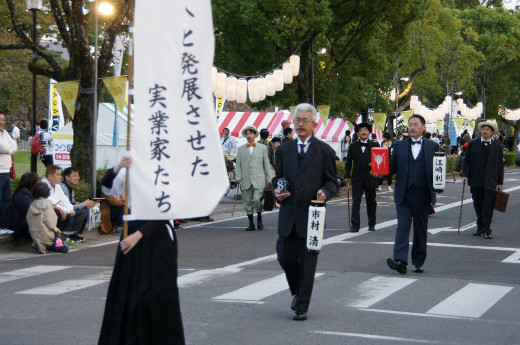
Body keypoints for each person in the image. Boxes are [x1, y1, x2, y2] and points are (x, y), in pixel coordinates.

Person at [98, 156, 185, 344]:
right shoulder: (132, 164)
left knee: (155, 295)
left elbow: (167, 209)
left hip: (157, 236)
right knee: (127, 292)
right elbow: (106, 187)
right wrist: (119, 166)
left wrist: (139, 235)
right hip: (131, 232)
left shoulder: (167, 167)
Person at [273, 103, 337, 321]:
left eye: (305, 121)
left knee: (308, 263)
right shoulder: (283, 150)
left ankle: (301, 305)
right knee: (284, 257)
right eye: (297, 120)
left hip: (313, 216)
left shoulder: (325, 151)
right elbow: (278, 178)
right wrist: (277, 191)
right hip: (289, 213)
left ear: (314, 124)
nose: (300, 124)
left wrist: (325, 192)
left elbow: (332, 181)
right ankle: (296, 291)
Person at [386, 114, 439, 274]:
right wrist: (379, 171)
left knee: (420, 229)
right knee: (402, 227)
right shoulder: (399, 145)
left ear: (423, 127)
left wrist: (439, 184)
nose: (412, 127)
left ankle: (418, 262)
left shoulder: (433, 146)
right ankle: (400, 260)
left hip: (423, 195)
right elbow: (391, 167)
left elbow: (439, 168)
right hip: (404, 193)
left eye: (416, 124)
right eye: (410, 124)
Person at [462, 121, 504, 239]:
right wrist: (465, 174)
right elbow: (467, 161)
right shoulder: (473, 144)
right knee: (478, 205)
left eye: (487, 129)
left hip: (491, 181)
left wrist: (500, 182)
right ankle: (479, 227)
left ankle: (487, 229)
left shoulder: (497, 147)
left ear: (492, 132)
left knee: (488, 206)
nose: (485, 131)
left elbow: (500, 166)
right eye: (483, 129)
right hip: (476, 179)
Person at [344, 122, 380, 232]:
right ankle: (355, 225)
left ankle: (372, 224)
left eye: (365, 129)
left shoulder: (375, 145)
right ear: (358, 133)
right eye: (361, 130)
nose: (363, 131)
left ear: (369, 132)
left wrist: (374, 165)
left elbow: (381, 160)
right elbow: (348, 162)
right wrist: (347, 176)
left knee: (371, 202)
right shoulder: (352, 146)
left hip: (370, 177)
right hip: (357, 177)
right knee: (356, 202)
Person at [235, 125, 272, 231]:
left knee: (257, 200)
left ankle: (259, 217)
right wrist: (237, 177)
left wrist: (269, 178)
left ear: (255, 135)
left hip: (259, 179)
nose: (249, 136)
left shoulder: (263, 148)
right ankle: (251, 223)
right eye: (247, 134)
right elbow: (238, 165)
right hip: (246, 179)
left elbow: (266, 164)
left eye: (251, 134)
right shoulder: (241, 149)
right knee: (247, 203)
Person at [26, 182, 69, 254]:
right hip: (46, 235)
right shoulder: (47, 206)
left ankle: (39, 243)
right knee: (65, 247)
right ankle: (45, 246)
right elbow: (51, 223)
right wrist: (57, 230)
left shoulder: (32, 205)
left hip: (33, 233)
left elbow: (28, 218)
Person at [41, 164, 77, 245]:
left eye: (61, 174)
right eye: (58, 175)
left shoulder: (57, 186)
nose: (60, 177)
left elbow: (64, 199)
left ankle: (66, 236)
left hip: (59, 208)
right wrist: (67, 210)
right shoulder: (43, 185)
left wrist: (70, 209)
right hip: (47, 211)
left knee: (78, 212)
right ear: (50, 176)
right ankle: (59, 238)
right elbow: (52, 202)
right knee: (57, 212)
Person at [60, 167, 97, 242]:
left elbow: (72, 202)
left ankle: (74, 235)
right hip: (62, 211)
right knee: (82, 212)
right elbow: (68, 206)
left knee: (85, 209)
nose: (77, 178)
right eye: (74, 176)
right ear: (67, 177)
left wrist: (86, 203)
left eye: (78, 176)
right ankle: (68, 236)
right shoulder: (63, 188)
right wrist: (84, 204)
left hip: (67, 209)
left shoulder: (70, 187)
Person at [5, 172, 39, 241]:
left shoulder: (27, 192)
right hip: (20, 226)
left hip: (24, 223)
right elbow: (30, 210)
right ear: (32, 182)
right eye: (37, 181)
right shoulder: (23, 194)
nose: (39, 183)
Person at [0, 110, 18, 232]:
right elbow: (4, 147)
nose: (1, 122)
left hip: (6, 171)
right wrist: (9, 148)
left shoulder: (5, 133)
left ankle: (4, 225)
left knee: (6, 200)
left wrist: (9, 149)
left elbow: (14, 146)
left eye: (3, 119)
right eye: (0, 119)